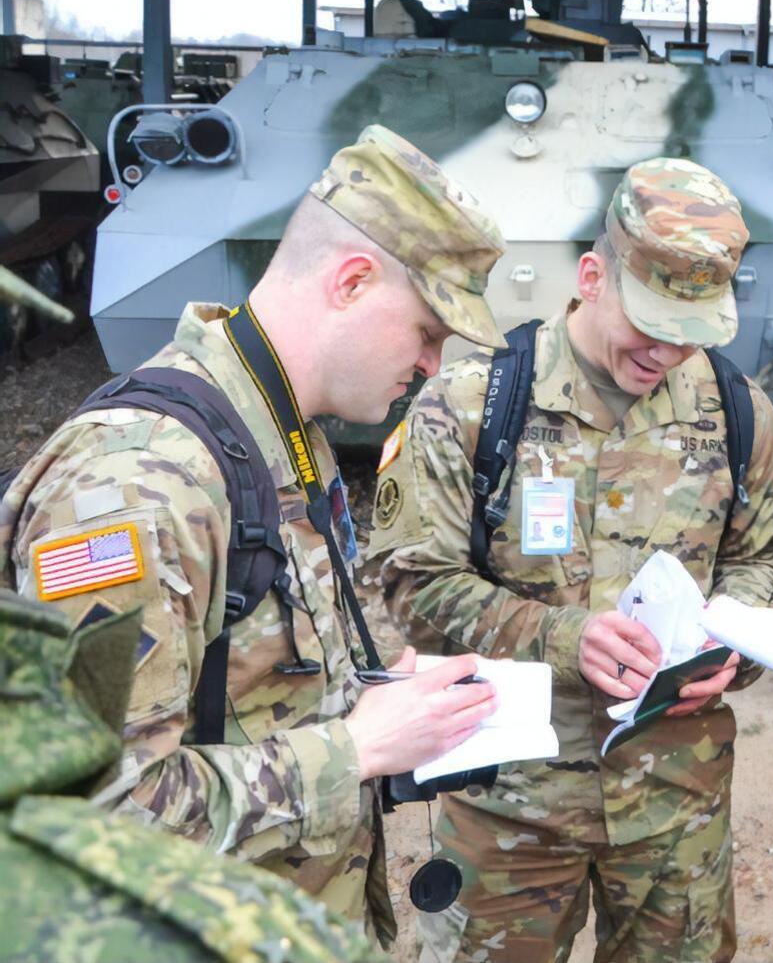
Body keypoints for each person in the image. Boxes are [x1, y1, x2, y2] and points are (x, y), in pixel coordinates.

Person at [0, 125, 505, 944]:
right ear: (351, 281)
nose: (433, 368)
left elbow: (244, 684)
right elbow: (94, 814)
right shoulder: (139, 482)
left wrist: (372, 696)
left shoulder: (279, 428)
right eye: (426, 332)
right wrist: (357, 746)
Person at [369, 156, 773, 962]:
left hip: (677, 807)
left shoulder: (740, 413)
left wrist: (732, 641)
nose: (669, 351)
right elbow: (412, 582)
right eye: (651, 323)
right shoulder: (474, 404)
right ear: (592, 275)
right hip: (509, 806)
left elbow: (767, 559)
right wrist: (567, 636)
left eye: (693, 330)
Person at [0, 588, 383, 963]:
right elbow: (118, 801)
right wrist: (349, 750)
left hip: (305, 891)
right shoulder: (133, 529)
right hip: (220, 922)